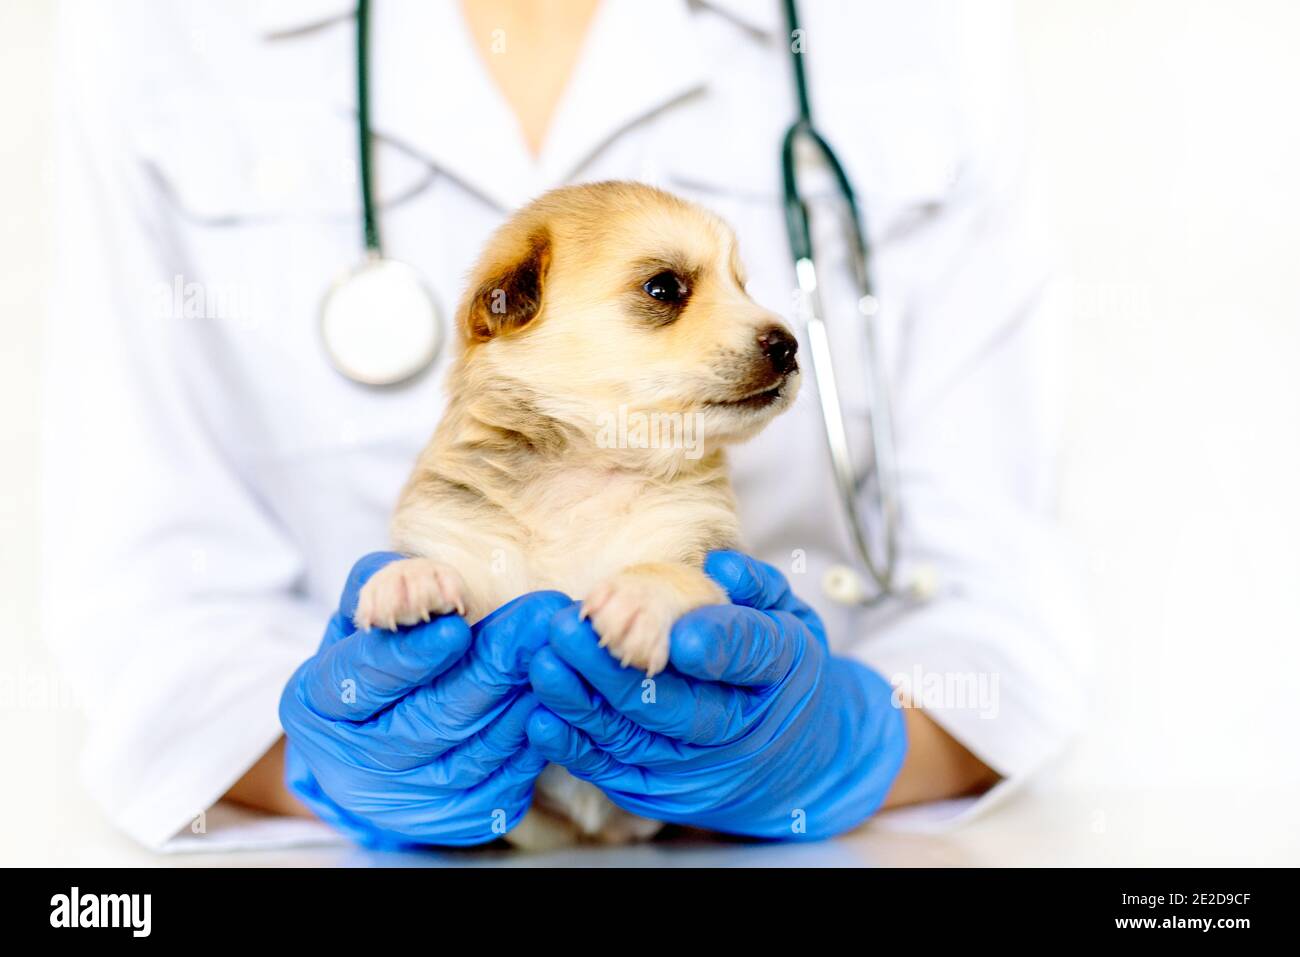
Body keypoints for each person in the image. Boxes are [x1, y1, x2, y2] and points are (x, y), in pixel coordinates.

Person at [45, 0, 1086, 850]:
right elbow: (148, 586)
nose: (768, 332)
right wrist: (339, 768)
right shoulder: (155, 29)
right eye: (669, 290)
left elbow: (995, 598)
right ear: (503, 315)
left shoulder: (925, 28)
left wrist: (837, 751)